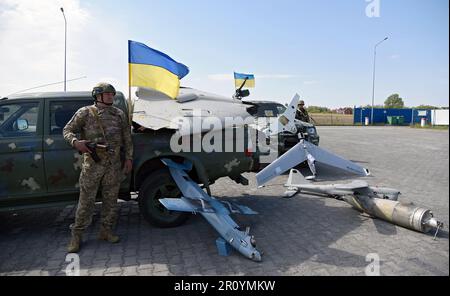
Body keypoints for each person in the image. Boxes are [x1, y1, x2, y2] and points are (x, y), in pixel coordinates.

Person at [63, 83, 133, 253]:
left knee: (111, 201)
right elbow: (67, 130)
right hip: (92, 166)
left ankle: (106, 231)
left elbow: (127, 138)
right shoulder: (85, 112)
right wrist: (75, 142)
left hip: (113, 166)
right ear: (98, 96)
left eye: (112, 94)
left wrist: (129, 158)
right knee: (86, 202)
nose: (111, 96)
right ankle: (76, 236)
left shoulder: (119, 114)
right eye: (107, 94)